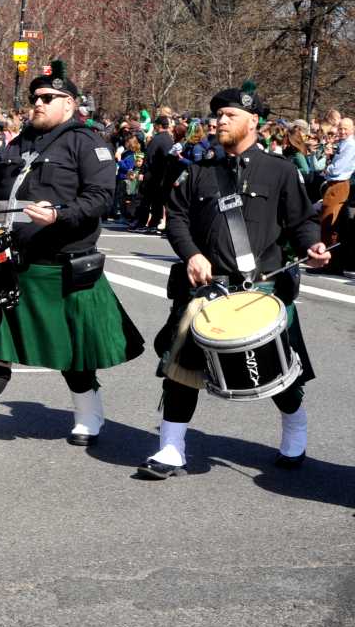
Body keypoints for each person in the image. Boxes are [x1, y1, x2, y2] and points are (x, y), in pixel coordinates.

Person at [0, 61, 144, 456]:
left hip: (62, 262)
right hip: (11, 261)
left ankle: (90, 412)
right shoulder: (17, 142)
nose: (37, 104)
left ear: (70, 104)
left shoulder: (88, 142)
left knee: (72, 352)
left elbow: (100, 197)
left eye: (47, 98)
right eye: (34, 98)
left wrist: (60, 215)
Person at [139, 84, 330, 478]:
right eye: (218, 116)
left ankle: (295, 428)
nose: (219, 121)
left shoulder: (281, 171)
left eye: (229, 116)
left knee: (278, 372)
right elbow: (176, 218)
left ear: (253, 121)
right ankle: (171, 450)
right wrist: (191, 253)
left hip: (259, 292)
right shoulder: (198, 173)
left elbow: (301, 222)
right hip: (206, 293)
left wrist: (313, 246)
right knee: (181, 373)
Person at [132, 115, 174, 232]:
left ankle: (140, 223)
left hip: (152, 175)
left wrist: (142, 172)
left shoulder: (157, 139)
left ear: (159, 126)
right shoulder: (169, 139)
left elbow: (149, 158)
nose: (154, 127)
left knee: (144, 199)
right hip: (162, 176)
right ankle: (153, 224)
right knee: (157, 201)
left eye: (155, 125)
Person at [319, 117, 353, 250]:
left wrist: (327, 169)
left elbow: (339, 167)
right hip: (334, 184)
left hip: (339, 185)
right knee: (329, 222)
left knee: (329, 222)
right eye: (340, 128)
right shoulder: (343, 143)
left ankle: (329, 261)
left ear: (352, 129)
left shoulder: (350, 145)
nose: (342, 131)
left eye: (346, 128)